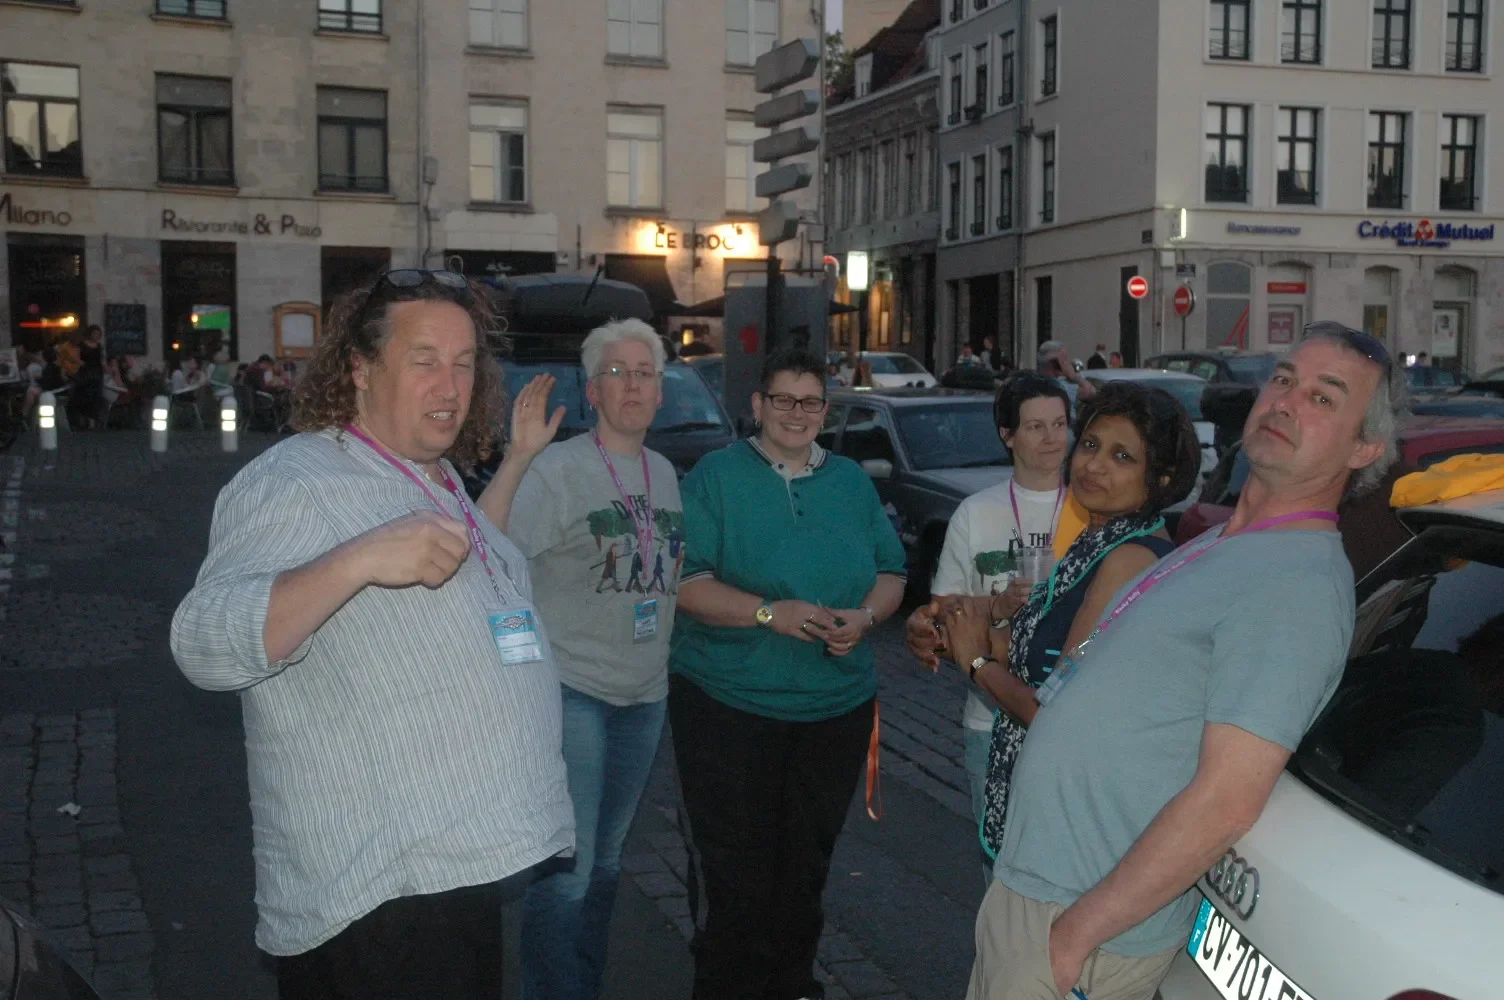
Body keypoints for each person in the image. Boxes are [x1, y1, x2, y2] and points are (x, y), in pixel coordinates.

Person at [961, 321, 1405, 1000]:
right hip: (1037, 892)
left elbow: (1227, 799)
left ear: (1364, 446)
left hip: (1079, 926)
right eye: (1284, 379)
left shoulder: (1297, 586)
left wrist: (1075, 939)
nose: (1286, 401)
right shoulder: (1222, 544)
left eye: (1324, 398)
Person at [169, 269, 573, 999]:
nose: (450, 386)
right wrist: (355, 562)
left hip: (454, 867)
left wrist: (514, 462)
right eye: (424, 361)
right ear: (359, 368)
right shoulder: (298, 479)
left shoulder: (434, 475)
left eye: (464, 363)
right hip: (378, 893)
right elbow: (201, 642)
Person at [669, 347, 907, 1000]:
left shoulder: (851, 483)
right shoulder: (716, 478)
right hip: (729, 709)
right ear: (757, 406)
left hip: (833, 711)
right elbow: (686, 583)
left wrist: (863, 617)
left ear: (826, 411)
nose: (796, 414)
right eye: (783, 400)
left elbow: (892, 571)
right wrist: (768, 613)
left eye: (810, 402)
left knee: (805, 871)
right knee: (736, 879)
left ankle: (792, 985)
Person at [475, 318, 685, 1000]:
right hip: (573, 692)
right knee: (569, 867)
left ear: (661, 392)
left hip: (643, 696)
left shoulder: (664, 474)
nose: (633, 385)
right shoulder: (561, 471)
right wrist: (515, 459)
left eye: (645, 373)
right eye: (617, 373)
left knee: (609, 866)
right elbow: (488, 544)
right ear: (592, 391)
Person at [934, 382, 1200, 870]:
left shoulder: (1129, 558)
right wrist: (970, 625)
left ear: (1161, 480)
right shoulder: (1097, 543)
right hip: (1048, 806)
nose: (1094, 464)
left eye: (1123, 457)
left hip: (1068, 827)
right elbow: (1039, 651)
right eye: (1093, 445)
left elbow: (1053, 710)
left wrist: (975, 662)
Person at [903, 374, 1073, 870]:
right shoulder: (976, 513)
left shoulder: (1093, 510)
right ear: (1008, 435)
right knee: (1000, 869)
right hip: (991, 721)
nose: (1052, 439)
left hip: (1071, 722)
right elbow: (943, 621)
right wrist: (996, 609)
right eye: (1036, 426)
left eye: (1060, 424)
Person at [1037, 339, 1098, 409]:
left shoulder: (1033, 383)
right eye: (1065, 359)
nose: (1067, 363)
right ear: (1054, 363)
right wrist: (1074, 376)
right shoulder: (1063, 387)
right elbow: (1091, 392)